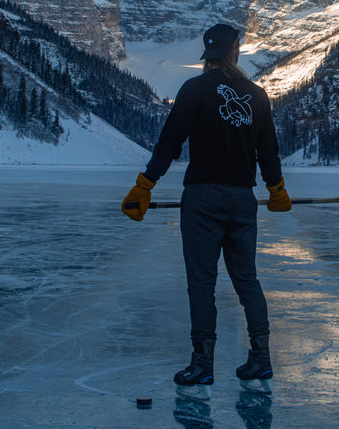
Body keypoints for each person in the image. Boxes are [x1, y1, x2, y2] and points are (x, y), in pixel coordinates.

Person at [121, 23, 291, 399]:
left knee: (202, 282)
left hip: (201, 200)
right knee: (247, 280)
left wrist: (145, 185)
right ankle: (260, 357)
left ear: (207, 55)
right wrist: (276, 190)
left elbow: (170, 143)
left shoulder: (194, 90)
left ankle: (202, 365)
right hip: (242, 201)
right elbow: (268, 153)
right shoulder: (257, 95)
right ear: (234, 52)